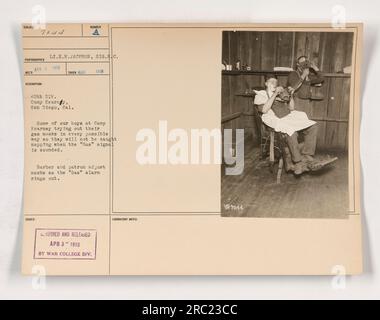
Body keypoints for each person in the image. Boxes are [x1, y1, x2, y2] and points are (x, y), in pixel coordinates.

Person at [254, 75, 324, 175]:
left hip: (286, 117)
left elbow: (291, 108)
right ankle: (297, 162)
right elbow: (264, 110)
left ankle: (307, 154)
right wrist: (274, 95)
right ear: (266, 83)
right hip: (273, 120)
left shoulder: (280, 93)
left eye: (275, 82)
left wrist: (290, 95)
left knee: (313, 126)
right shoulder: (261, 95)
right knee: (291, 131)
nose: (274, 84)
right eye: (271, 82)